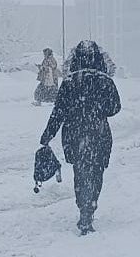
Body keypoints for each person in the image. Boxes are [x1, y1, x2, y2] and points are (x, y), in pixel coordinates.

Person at [38, 41, 122, 234]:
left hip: (74, 133)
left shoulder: (69, 82)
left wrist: (47, 135)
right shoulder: (105, 81)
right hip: (99, 132)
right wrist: (98, 109)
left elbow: (58, 112)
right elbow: (115, 108)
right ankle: (90, 207)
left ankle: (83, 207)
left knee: (80, 171)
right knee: (96, 171)